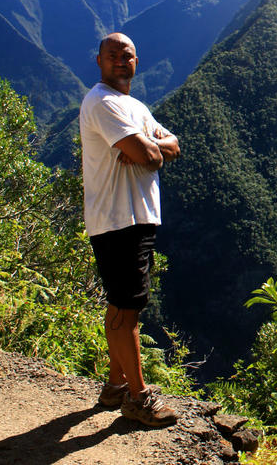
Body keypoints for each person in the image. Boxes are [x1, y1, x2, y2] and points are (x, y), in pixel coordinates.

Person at [79, 32, 181, 427]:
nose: (121, 60)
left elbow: (171, 146)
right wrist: (149, 149)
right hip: (118, 221)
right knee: (128, 310)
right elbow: (152, 156)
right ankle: (139, 398)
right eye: (113, 55)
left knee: (121, 305)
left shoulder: (133, 106)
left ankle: (115, 386)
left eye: (128, 55)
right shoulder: (102, 102)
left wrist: (149, 147)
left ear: (136, 61)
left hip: (134, 220)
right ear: (99, 60)